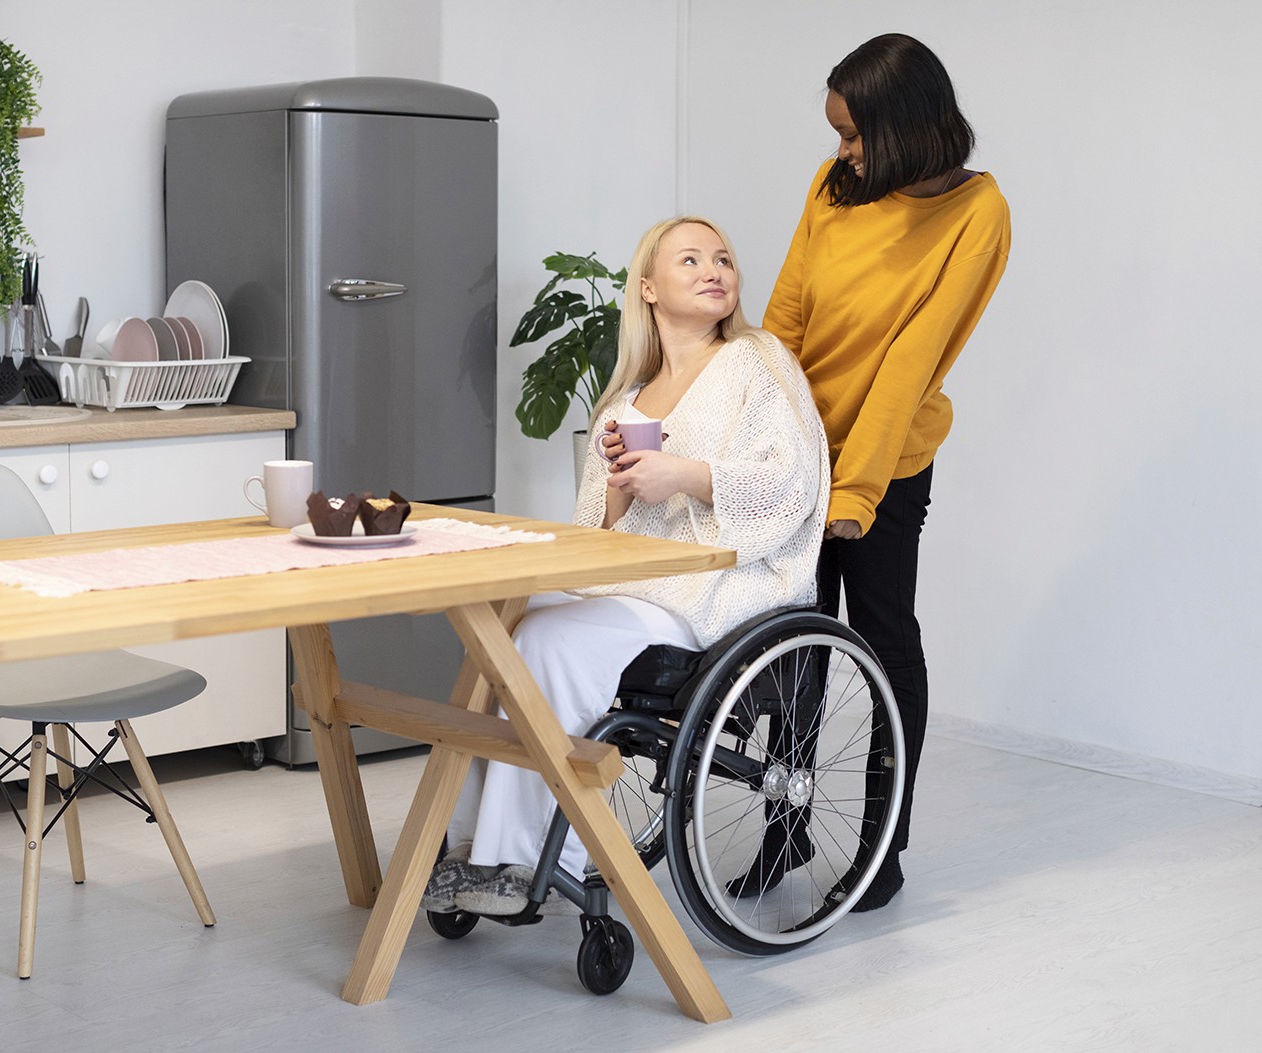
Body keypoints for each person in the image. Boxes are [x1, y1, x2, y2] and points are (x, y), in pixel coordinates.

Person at [423, 216, 830, 916]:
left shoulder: (756, 362)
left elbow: (792, 483)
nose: (715, 269)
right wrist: (619, 488)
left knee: (550, 640)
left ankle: (533, 860)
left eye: (724, 258)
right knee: (506, 624)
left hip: (719, 585)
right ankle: (467, 846)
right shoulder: (625, 402)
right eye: (692, 259)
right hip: (634, 581)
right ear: (647, 288)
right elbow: (597, 534)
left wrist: (688, 475)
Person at [763, 33, 1012, 910]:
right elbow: (788, 313)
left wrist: (859, 489)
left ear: (905, 126)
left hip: (888, 463)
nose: (843, 152)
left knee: (880, 641)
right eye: (837, 133)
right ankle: (784, 825)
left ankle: (880, 844)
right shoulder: (836, 188)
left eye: (856, 134)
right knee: (792, 644)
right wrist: (765, 431)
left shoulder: (977, 213)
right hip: (800, 450)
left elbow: (912, 358)